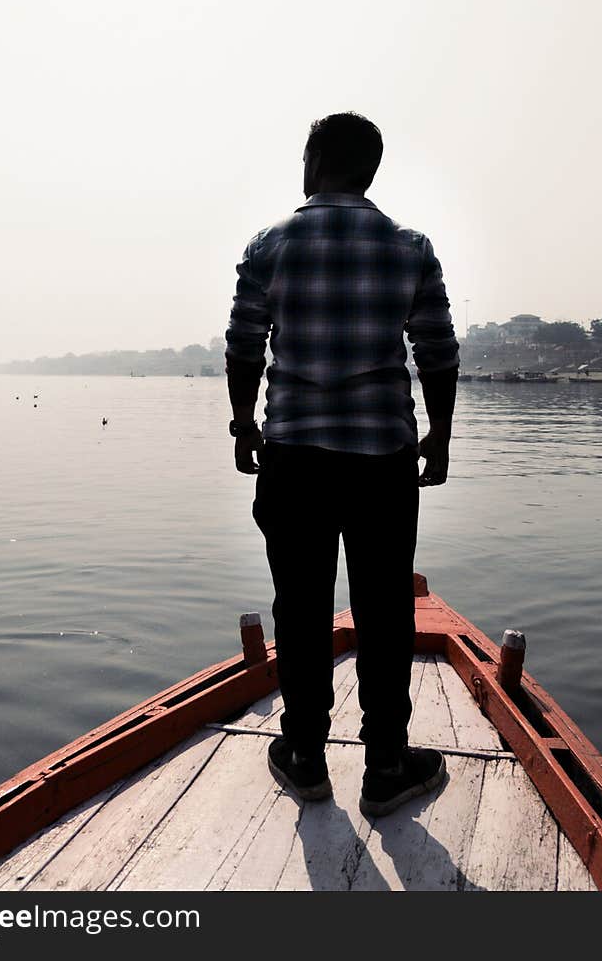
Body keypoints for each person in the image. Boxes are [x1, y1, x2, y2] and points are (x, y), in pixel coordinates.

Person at [224, 112, 459, 817]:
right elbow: (438, 352)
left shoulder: (270, 245)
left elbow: (243, 346)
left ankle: (304, 755)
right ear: (368, 169)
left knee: (299, 607)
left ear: (316, 159)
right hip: (382, 458)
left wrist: (244, 424)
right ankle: (387, 764)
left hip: (293, 456)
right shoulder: (408, 247)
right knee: (386, 610)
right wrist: (440, 434)